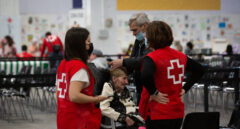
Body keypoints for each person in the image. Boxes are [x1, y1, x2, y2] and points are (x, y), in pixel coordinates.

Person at [139, 21, 205, 129]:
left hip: (158, 112)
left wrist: (153, 92)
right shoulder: (181, 56)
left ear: (151, 38)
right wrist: (185, 88)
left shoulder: (152, 58)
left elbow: (145, 76)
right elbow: (200, 70)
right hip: (177, 113)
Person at [56, 27, 108, 129]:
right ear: (79, 44)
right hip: (79, 119)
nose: (89, 44)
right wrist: (96, 99)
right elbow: (74, 96)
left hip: (64, 116)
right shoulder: (78, 67)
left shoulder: (63, 63)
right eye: (88, 41)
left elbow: (60, 92)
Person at [110, 13, 151, 105]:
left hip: (150, 89)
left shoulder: (152, 42)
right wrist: (117, 74)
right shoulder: (138, 41)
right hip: (140, 86)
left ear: (144, 26)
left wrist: (123, 62)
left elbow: (146, 60)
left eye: (135, 30)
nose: (133, 34)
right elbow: (132, 61)